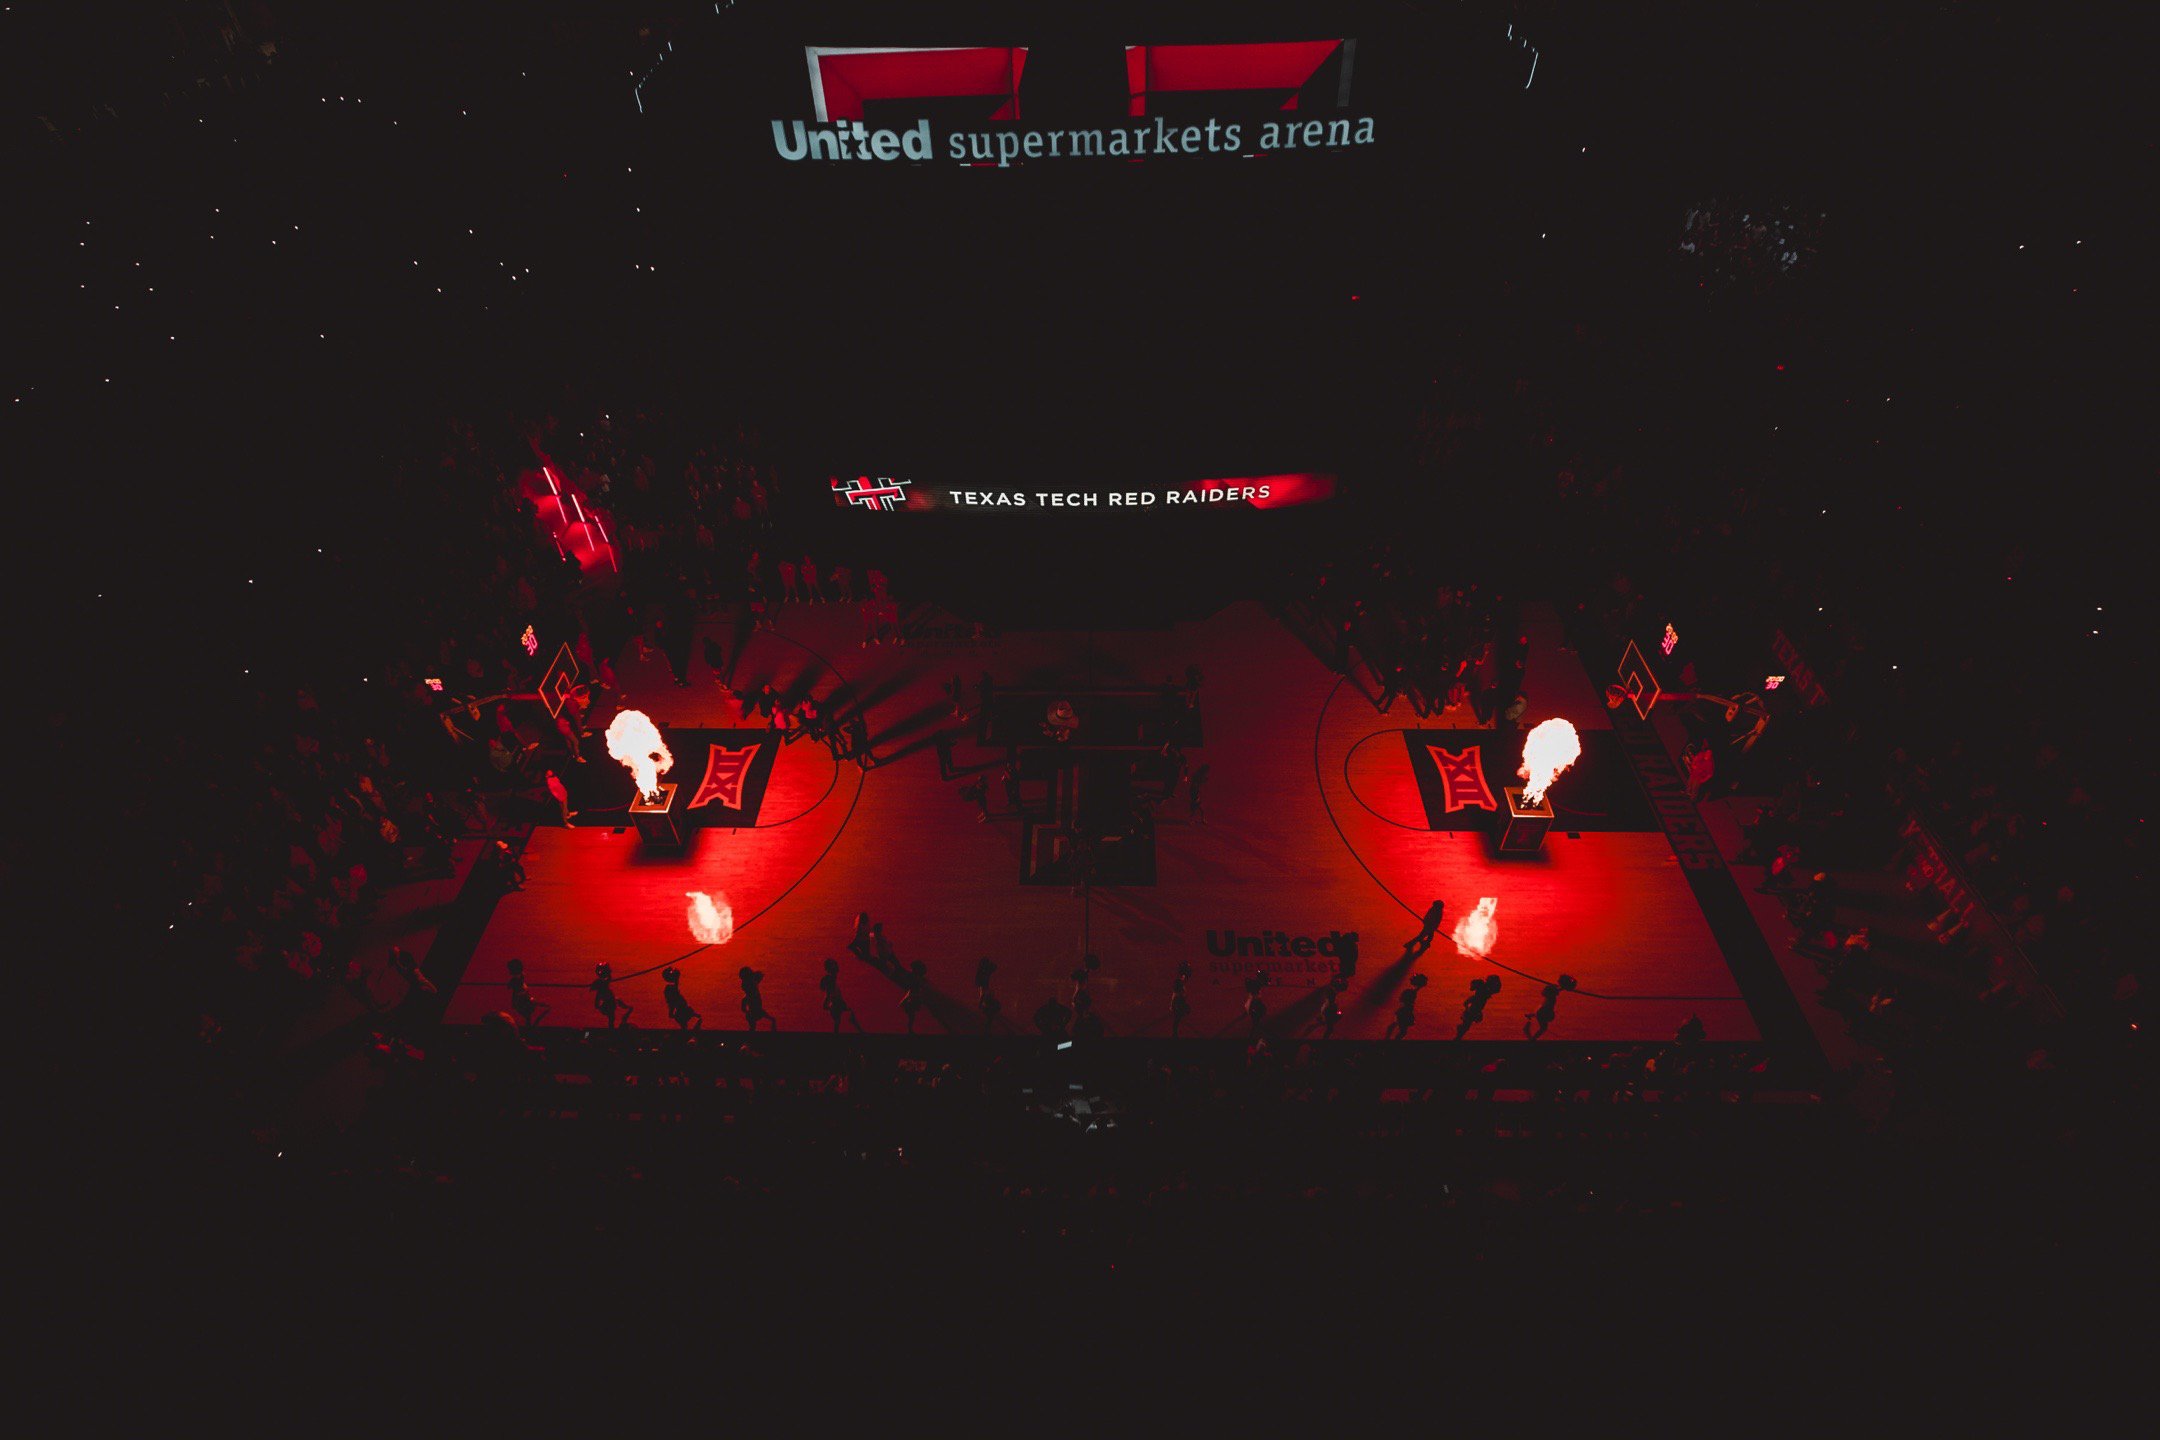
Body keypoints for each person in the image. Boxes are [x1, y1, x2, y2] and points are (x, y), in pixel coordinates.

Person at [1524, 974, 1576, 1039]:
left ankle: (1530, 1018)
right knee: (1543, 1028)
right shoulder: (1552, 993)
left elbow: (1560, 989)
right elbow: (1559, 989)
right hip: (1543, 1011)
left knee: (1541, 1020)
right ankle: (1532, 1039)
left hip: (1543, 1010)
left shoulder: (1552, 992)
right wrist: (1569, 983)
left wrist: (1566, 984)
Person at [819, 959, 863, 1033]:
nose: (837, 967)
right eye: (834, 966)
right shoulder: (830, 979)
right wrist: (826, 1004)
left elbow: (829, 993)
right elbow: (829, 993)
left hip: (838, 1003)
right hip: (836, 1003)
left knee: (839, 1021)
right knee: (843, 1018)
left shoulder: (832, 978)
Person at [1454, 975, 1500, 1040]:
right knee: (1467, 1024)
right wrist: (1468, 1002)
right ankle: (1459, 1036)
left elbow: (1496, 990)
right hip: (1476, 1007)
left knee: (1467, 1024)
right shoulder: (1484, 988)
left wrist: (1468, 1002)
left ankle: (1459, 1036)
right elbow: (1475, 996)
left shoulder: (1486, 989)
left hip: (1476, 1007)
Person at [506, 958, 548, 1029]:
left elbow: (511, 987)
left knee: (525, 1011)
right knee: (527, 1013)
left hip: (521, 998)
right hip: (523, 996)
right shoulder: (520, 978)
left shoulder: (515, 981)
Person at [589, 962, 632, 1029]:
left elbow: (606, 981)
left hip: (608, 1001)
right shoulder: (601, 986)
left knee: (612, 1017)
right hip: (607, 1001)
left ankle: (611, 1031)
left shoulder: (601, 985)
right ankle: (611, 1032)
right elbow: (597, 1000)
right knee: (612, 1017)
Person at [738, 966, 775, 1031]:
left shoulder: (751, 984)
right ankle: (753, 1028)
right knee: (753, 1014)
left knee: (753, 1014)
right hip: (752, 1000)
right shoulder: (749, 983)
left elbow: (751, 993)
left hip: (753, 1000)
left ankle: (753, 1028)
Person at [899, 960, 930, 1033]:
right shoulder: (914, 977)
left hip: (913, 997)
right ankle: (909, 1029)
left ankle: (910, 1028)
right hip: (913, 997)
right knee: (911, 1014)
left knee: (911, 1015)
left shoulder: (912, 976)